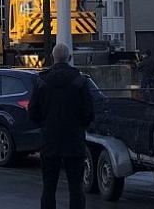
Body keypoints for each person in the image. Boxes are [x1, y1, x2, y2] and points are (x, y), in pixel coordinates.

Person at [29, 43, 95, 209]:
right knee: (76, 187)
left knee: (49, 187)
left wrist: (45, 124)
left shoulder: (41, 81)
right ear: (70, 58)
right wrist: (80, 126)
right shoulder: (80, 81)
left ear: (52, 58)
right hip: (74, 141)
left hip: (50, 141)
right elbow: (89, 112)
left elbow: (32, 112)